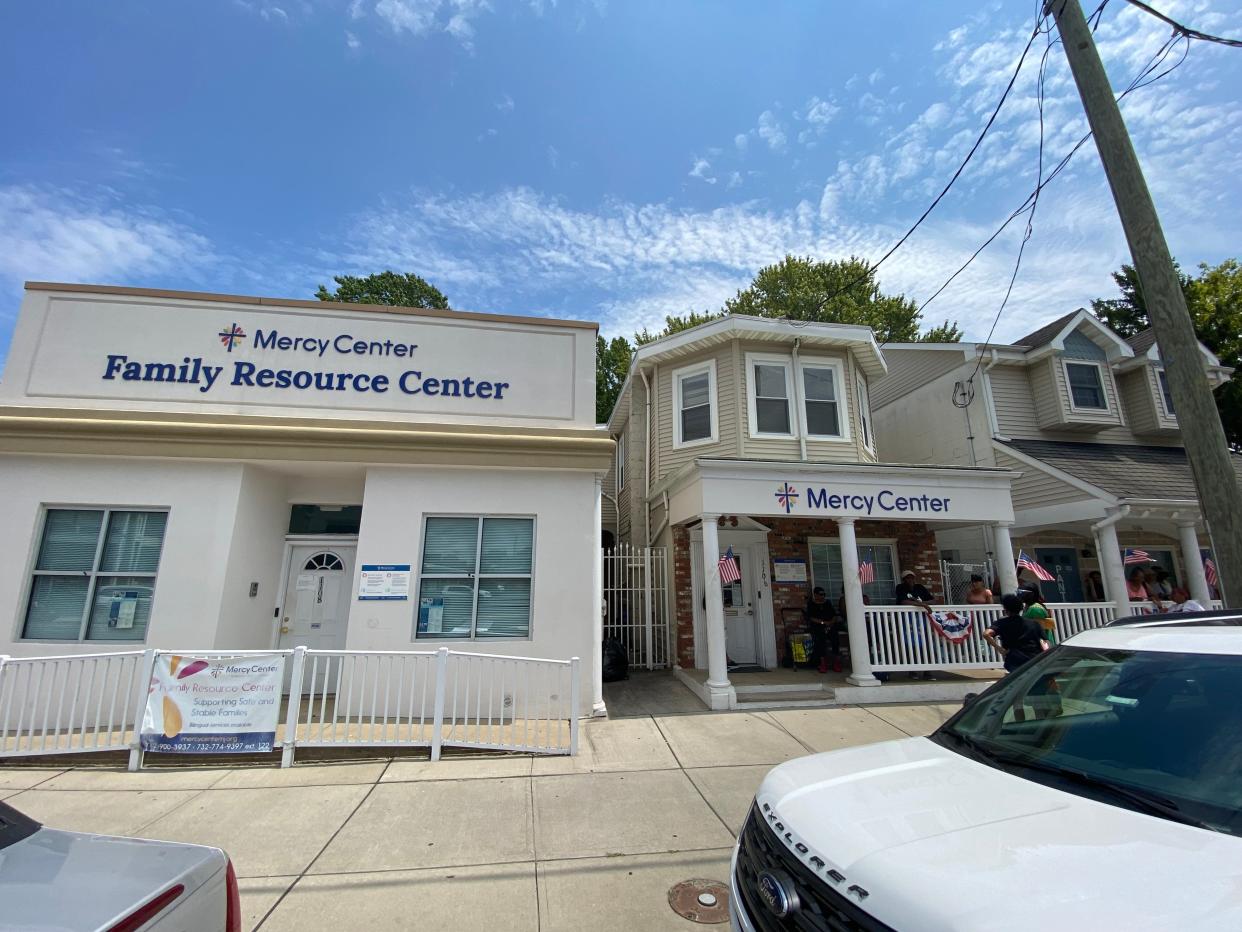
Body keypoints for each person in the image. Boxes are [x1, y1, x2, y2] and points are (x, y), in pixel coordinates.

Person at [984, 592, 1048, 674]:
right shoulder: (1034, 623)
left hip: (1015, 661)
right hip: (1034, 660)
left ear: (1006, 609)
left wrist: (1000, 649)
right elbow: (1045, 642)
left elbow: (986, 634)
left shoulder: (1002, 623)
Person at [804, 586, 840, 674]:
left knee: (835, 639)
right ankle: (822, 663)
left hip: (830, 626)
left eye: (824, 594)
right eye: (820, 594)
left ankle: (836, 662)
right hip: (818, 626)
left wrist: (831, 622)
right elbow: (810, 618)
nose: (822, 596)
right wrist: (823, 623)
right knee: (820, 640)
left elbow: (834, 615)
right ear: (815, 595)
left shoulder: (827, 603)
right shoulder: (811, 604)